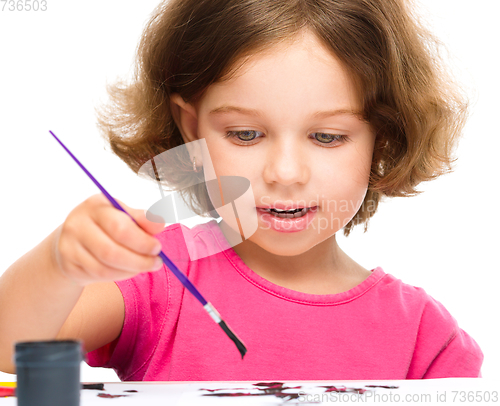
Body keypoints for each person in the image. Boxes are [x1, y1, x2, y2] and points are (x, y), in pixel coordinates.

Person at [0, 0, 483, 381]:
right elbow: (11, 349)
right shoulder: (159, 273)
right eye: (246, 135)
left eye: (328, 137)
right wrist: (60, 264)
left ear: (384, 137)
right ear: (192, 129)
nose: (285, 172)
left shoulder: (426, 338)